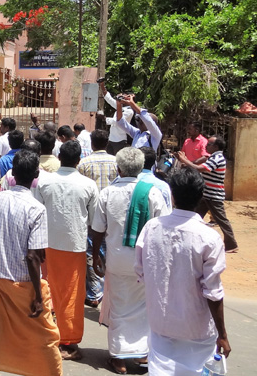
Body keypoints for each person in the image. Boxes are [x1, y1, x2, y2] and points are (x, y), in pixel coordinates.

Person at [134, 167, 230, 376]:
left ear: (173, 195)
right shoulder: (208, 237)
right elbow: (213, 291)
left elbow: (140, 270)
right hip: (196, 329)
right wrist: (222, 333)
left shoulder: (152, 227)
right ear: (201, 196)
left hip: (161, 323)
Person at [0, 150, 62, 376]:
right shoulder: (36, 209)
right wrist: (37, 296)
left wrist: (0, 257)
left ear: (13, 174)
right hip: (25, 285)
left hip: (0, 281)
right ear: (36, 174)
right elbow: (33, 257)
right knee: (46, 337)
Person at [91, 147, 169, 374]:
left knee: (118, 307)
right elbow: (162, 228)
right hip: (145, 260)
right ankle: (143, 354)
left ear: (119, 168)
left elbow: (97, 230)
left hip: (116, 259)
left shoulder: (107, 193)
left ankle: (119, 359)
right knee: (144, 307)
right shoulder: (152, 192)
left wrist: (96, 256)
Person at [34, 140, 98, 360]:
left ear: (59, 157)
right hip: (74, 245)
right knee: (71, 293)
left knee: (50, 288)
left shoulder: (44, 182)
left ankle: (49, 335)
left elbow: (37, 213)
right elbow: (94, 219)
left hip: (49, 243)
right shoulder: (88, 185)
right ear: (79, 160)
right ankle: (68, 342)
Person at [77, 129, 118, 309]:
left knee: (91, 252)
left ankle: (94, 293)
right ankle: (110, 290)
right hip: (113, 212)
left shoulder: (84, 163)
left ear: (92, 143)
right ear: (107, 143)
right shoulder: (117, 162)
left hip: (91, 214)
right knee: (111, 249)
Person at [176, 136, 238, 253]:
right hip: (206, 194)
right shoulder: (213, 157)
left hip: (213, 195)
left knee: (221, 220)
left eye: (209, 144)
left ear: (215, 147)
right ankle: (186, 239)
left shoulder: (217, 158)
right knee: (193, 216)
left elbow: (199, 168)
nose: (206, 146)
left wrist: (184, 160)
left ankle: (231, 244)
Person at [99, 81, 134, 155]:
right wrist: (102, 86)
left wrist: (104, 118)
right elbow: (109, 99)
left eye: (125, 96)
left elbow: (117, 121)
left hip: (120, 140)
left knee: (118, 161)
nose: (123, 97)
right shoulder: (120, 107)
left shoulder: (129, 111)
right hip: (111, 139)